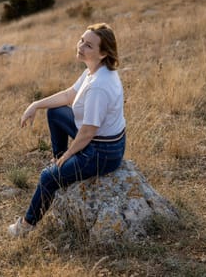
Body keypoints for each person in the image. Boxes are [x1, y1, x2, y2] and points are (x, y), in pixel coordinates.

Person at [8, 23, 126, 237]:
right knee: (55, 112)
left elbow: (89, 132)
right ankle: (60, 161)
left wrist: (70, 154)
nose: (81, 46)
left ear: (103, 53)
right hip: (100, 141)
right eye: (82, 40)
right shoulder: (93, 70)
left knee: (47, 178)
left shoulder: (99, 85)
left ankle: (26, 226)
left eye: (88, 45)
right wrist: (35, 104)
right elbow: (68, 96)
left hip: (102, 152)